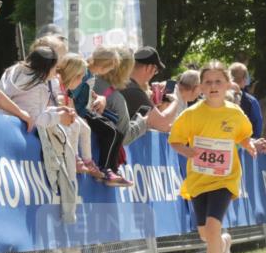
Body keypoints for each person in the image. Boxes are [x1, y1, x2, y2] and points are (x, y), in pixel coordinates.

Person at [169, 61, 256, 253]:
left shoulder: (235, 113)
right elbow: (175, 141)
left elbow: (244, 136)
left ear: (228, 84)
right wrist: (188, 152)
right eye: (208, 82)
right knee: (206, 234)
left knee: (213, 225)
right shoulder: (191, 114)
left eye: (218, 81)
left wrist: (250, 145)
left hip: (225, 179)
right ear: (200, 87)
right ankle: (224, 242)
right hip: (198, 180)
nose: (213, 86)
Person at [70, 46, 129, 186]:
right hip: (82, 112)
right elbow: (72, 93)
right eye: (109, 68)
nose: (109, 72)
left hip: (86, 110)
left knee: (117, 132)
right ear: (103, 67)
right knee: (111, 131)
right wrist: (78, 113)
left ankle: (112, 169)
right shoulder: (84, 72)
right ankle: (107, 169)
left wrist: (96, 97)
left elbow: (84, 92)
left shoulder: (90, 74)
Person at [55, 53, 103, 178]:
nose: (82, 81)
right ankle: (75, 157)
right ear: (73, 75)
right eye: (80, 77)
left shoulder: (67, 89)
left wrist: (75, 115)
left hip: (64, 114)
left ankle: (88, 161)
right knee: (75, 125)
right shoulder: (57, 84)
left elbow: (71, 104)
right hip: (56, 118)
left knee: (85, 128)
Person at [121, 46, 177, 130]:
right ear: (150, 68)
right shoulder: (134, 91)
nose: (154, 74)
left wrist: (151, 103)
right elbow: (162, 124)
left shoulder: (124, 83)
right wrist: (175, 101)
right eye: (155, 71)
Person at [229, 62, 263, 137]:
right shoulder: (251, 101)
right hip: (244, 144)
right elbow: (258, 126)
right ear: (244, 79)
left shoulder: (217, 97)